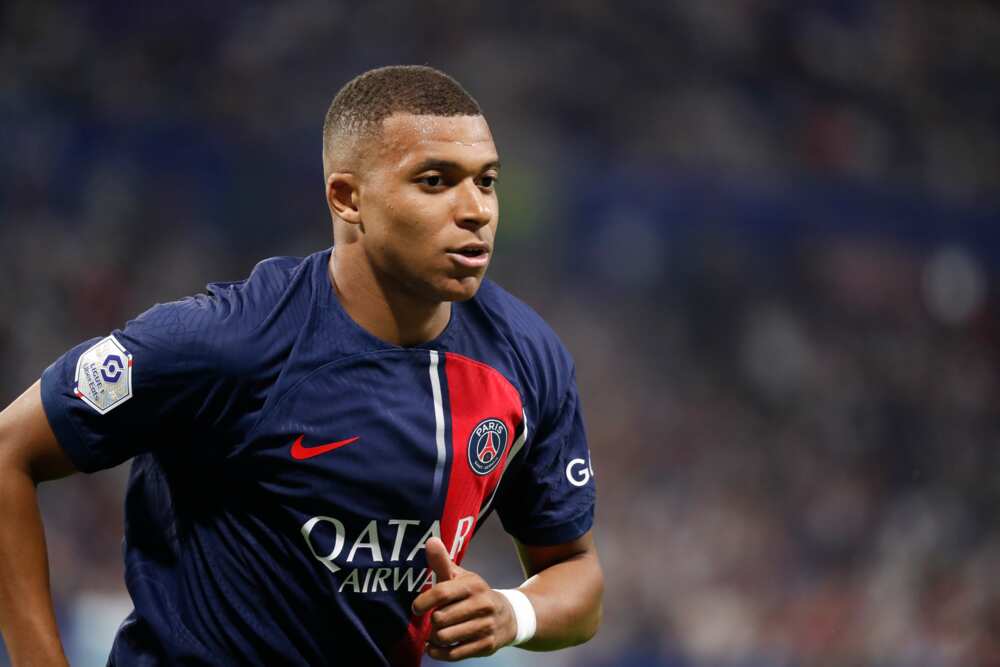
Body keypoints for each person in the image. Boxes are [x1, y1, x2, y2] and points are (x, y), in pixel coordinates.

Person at [0, 65, 602, 666]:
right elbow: (8, 450)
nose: (475, 209)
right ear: (347, 198)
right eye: (435, 180)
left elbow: (576, 577)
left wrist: (511, 612)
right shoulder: (226, 340)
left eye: (486, 180)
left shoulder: (527, 358)